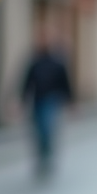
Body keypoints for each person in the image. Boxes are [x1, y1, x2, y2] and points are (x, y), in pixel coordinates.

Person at [22, 32, 73, 178]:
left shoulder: (57, 63)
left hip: (51, 101)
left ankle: (47, 155)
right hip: (37, 100)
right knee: (38, 131)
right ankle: (42, 156)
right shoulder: (35, 62)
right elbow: (26, 82)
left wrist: (70, 101)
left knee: (47, 128)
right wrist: (21, 100)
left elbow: (65, 83)